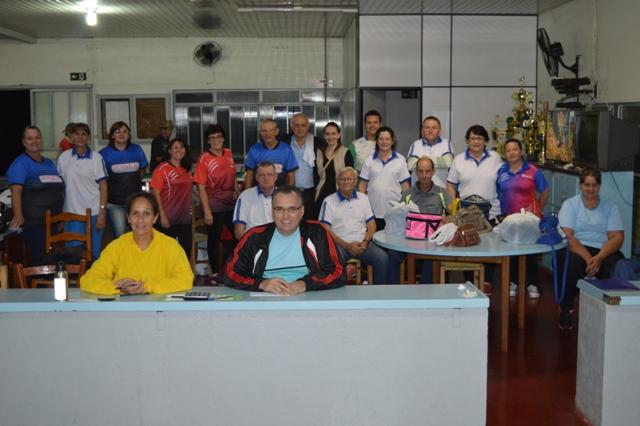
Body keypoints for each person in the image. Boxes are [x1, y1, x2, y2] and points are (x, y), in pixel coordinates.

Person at [224, 185, 344, 295]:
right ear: (272, 211)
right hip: (265, 298)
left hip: (308, 296)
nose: (286, 215)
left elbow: (337, 271)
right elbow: (230, 272)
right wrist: (261, 284)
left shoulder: (317, 232)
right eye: (279, 209)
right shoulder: (254, 236)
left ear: (301, 211)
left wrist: (305, 284)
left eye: (292, 209)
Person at [80, 192, 194, 295]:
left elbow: (186, 280)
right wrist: (116, 287)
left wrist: (146, 287)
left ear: (155, 218)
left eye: (146, 214)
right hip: (124, 309)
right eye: (135, 213)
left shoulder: (170, 246)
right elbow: (88, 280)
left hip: (159, 309)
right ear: (128, 218)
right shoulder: (117, 246)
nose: (140, 220)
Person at [558, 167, 624, 329]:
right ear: (581, 185)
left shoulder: (610, 206)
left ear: (599, 186)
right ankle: (566, 309)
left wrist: (600, 257)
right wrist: (589, 260)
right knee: (570, 263)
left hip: (602, 250)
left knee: (618, 264)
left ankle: (613, 311)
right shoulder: (570, 205)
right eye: (587, 185)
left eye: (594, 185)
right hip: (577, 248)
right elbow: (568, 236)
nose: (590, 189)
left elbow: (617, 237)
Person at [496, 138, 549, 299]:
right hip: (510, 219)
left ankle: (532, 284)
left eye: (515, 149)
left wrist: (538, 209)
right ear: (504, 154)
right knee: (512, 252)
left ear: (521, 152)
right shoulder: (501, 172)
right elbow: (499, 193)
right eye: (508, 150)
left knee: (530, 253)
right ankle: (513, 282)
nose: (512, 152)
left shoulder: (533, 171)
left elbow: (544, 191)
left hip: (529, 219)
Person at [319, 167, 390, 284]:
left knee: (383, 259)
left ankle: (379, 292)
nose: (346, 182)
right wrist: (346, 245)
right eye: (343, 179)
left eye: (350, 179)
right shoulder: (328, 201)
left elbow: (372, 225)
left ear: (355, 181)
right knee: (332, 262)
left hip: (362, 244)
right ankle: (338, 292)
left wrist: (366, 241)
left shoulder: (364, 198)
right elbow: (325, 229)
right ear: (337, 182)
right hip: (339, 245)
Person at [7, 126, 65, 264]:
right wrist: (18, 215)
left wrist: (60, 216)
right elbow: (16, 191)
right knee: (40, 263)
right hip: (34, 224)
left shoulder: (50, 163)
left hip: (53, 222)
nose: (34, 141)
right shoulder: (20, 164)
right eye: (30, 138)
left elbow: (57, 191)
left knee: (54, 261)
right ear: (24, 142)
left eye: (37, 137)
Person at [56, 123, 108, 260]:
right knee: (74, 255)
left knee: (94, 254)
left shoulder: (96, 158)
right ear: (71, 137)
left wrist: (102, 212)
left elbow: (103, 186)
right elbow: (59, 187)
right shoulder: (64, 157)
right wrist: (60, 214)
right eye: (77, 134)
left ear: (88, 138)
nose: (80, 137)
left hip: (94, 213)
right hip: (71, 214)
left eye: (84, 134)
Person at [194, 124, 238, 283]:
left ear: (223, 138)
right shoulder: (204, 158)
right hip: (214, 205)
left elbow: (233, 176)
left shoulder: (229, 153)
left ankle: (234, 268)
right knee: (214, 239)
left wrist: (238, 195)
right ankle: (214, 273)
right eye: (212, 138)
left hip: (231, 203)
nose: (216, 140)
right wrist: (207, 211)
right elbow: (200, 186)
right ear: (208, 141)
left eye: (218, 136)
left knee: (237, 236)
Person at [401, 156, 451, 284]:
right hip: (410, 242)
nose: (424, 175)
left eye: (427, 171)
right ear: (416, 172)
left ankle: (423, 290)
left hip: (433, 242)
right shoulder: (407, 194)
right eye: (420, 171)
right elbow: (399, 217)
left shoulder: (442, 193)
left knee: (431, 257)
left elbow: (454, 215)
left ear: (433, 172)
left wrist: (447, 220)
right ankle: (394, 292)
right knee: (392, 255)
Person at [99, 121, 148, 238]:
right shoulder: (104, 154)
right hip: (114, 203)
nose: (122, 134)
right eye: (118, 132)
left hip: (135, 201)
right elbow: (100, 178)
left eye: (125, 131)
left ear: (129, 135)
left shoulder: (137, 149)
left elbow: (143, 167)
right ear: (112, 136)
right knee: (120, 233)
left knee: (138, 232)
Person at [358, 126, 411, 231]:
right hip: (372, 212)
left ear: (392, 141)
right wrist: (363, 205)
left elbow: (405, 187)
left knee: (393, 238)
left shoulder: (400, 160)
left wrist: (404, 207)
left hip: (394, 212)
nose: (384, 142)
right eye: (381, 139)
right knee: (373, 239)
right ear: (377, 141)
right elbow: (362, 185)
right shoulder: (369, 160)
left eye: (387, 139)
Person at [447, 124, 503, 220]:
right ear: (467, 141)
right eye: (472, 139)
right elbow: (450, 185)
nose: (476, 142)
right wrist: (453, 207)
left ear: (485, 141)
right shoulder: (458, 159)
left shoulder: (495, 157)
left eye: (479, 138)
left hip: (492, 213)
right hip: (465, 213)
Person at [150, 137, 193, 257]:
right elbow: (155, 193)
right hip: (168, 218)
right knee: (167, 254)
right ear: (169, 151)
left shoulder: (186, 169)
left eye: (182, 147)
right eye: (175, 147)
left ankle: (183, 271)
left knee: (186, 251)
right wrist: (162, 216)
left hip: (185, 219)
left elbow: (189, 190)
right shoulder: (161, 169)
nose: (179, 150)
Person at [313, 122, 354, 219]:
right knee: (322, 221)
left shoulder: (346, 152)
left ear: (339, 135)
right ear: (324, 136)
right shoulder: (319, 152)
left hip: (340, 193)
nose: (331, 137)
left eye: (333, 134)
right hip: (322, 193)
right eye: (327, 134)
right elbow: (317, 175)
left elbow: (350, 176)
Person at [284, 113, 320, 220]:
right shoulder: (284, 142)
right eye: (296, 125)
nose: (300, 128)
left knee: (309, 223)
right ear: (291, 127)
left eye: (303, 125)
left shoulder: (317, 142)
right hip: (289, 191)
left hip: (311, 193)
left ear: (308, 127)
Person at [244, 118, 297, 189]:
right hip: (258, 192)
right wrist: (247, 194)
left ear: (276, 131)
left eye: (270, 130)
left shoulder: (286, 149)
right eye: (264, 131)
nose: (267, 134)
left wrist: (290, 193)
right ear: (260, 133)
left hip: (280, 192)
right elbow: (249, 175)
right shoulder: (254, 149)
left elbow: (291, 176)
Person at [233, 161, 277, 240]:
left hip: (277, 241)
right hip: (253, 243)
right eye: (262, 175)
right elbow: (238, 233)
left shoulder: (285, 197)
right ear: (256, 177)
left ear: (275, 176)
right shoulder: (245, 196)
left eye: (269, 174)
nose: (266, 178)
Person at [406, 116, 454, 188]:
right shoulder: (416, 144)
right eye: (427, 127)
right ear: (422, 130)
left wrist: (424, 160)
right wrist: (438, 161)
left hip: (440, 190)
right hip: (418, 191)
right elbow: (410, 165)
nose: (430, 131)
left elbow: (449, 162)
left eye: (434, 128)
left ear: (439, 131)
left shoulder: (446, 143)